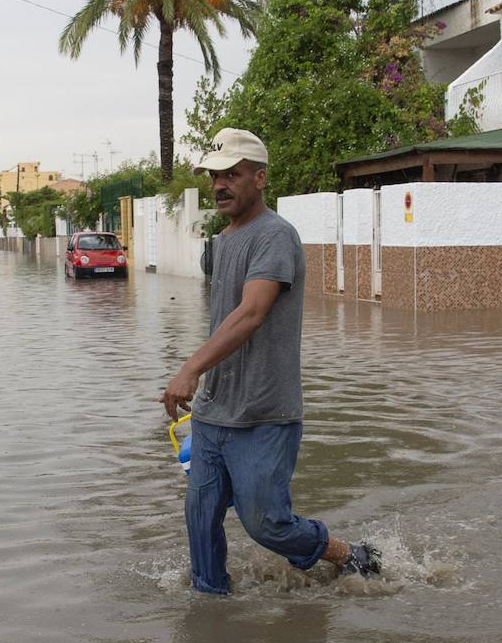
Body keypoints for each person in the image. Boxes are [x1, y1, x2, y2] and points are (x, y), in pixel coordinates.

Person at [159, 128, 380, 594]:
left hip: (264, 413)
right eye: (214, 176)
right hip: (215, 412)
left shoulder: (275, 236)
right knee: (199, 518)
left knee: (267, 525)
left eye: (231, 175)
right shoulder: (223, 241)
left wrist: (190, 368)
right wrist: (203, 381)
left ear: (259, 179)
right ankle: (210, 610)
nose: (219, 185)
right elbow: (224, 318)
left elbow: (253, 312)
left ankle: (349, 554)